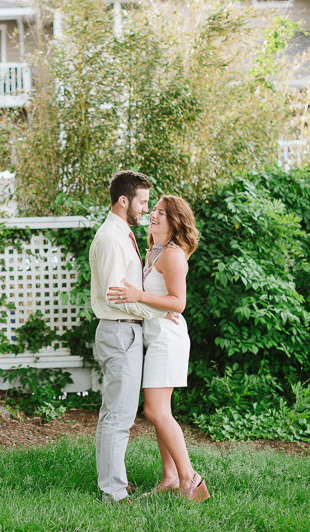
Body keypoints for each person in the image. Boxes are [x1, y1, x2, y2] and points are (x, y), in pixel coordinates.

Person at [107, 195, 209, 502]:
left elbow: (179, 302)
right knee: (160, 411)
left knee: (154, 410)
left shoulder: (173, 255)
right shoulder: (153, 250)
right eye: (154, 209)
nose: (153, 214)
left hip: (168, 339)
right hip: (154, 336)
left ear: (174, 221)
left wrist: (138, 294)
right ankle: (170, 477)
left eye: (161, 212)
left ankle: (191, 479)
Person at [89, 171, 179, 505]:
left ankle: (111, 482)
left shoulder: (122, 233)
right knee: (119, 417)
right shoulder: (112, 238)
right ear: (124, 200)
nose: (146, 210)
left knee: (112, 413)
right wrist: (158, 311)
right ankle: (112, 493)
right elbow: (117, 296)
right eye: (142, 202)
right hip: (120, 329)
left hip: (123, 330)